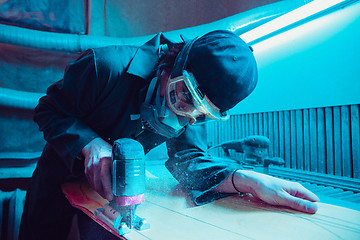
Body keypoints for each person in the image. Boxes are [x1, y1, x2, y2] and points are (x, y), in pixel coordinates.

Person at [19, 30, 319, 239]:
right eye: (184, 97)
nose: (185, 117)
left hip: (112, 195)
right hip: (59, 175)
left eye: (202, 114)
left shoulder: (192, 111)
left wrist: (247, 179)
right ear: (173, 63)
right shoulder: (104, 67)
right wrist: (89, 143)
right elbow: (48, 110)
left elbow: (189, 160)